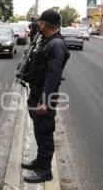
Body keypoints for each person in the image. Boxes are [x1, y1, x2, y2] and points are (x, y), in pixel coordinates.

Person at [22, 9, 70, 183]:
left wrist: (45, 101)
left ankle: (44, 170)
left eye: (40, 22)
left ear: (44, 24)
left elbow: (53, 75)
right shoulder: (48, 40)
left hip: (44, 95)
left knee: (44, 132)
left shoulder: (56, 44)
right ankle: (39, 162)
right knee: (38, 129)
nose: (38, 25)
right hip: (37, 92)